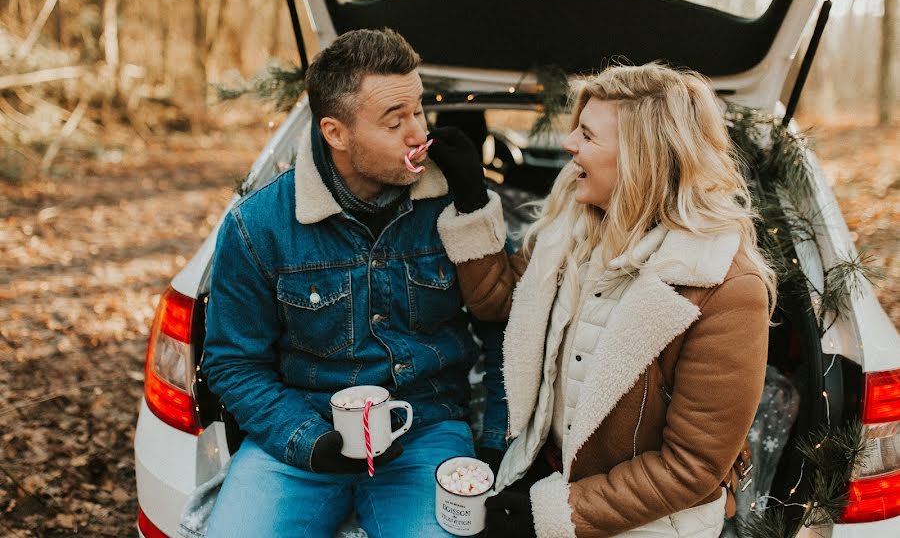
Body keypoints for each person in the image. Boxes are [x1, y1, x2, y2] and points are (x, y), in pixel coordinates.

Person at [435, 63, 775, 537]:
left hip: (644, 521)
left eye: (588, 136)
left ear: (644, 158)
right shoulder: (567, 231)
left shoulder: (725, 286)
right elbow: (497, 301)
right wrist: (472, 200)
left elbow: (691, 466)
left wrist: (550, 516)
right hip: (541, 474)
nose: (569, 143)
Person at [201, 28, 508, 537]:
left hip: (426, 431)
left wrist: (495, 445)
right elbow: (233, 362)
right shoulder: (257, 228)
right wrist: (311, 443)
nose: (417, 134)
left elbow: (504, 328)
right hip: (299, 436)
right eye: (394, 122)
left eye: (418, 111)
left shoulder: (457, 207)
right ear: (335, 133)